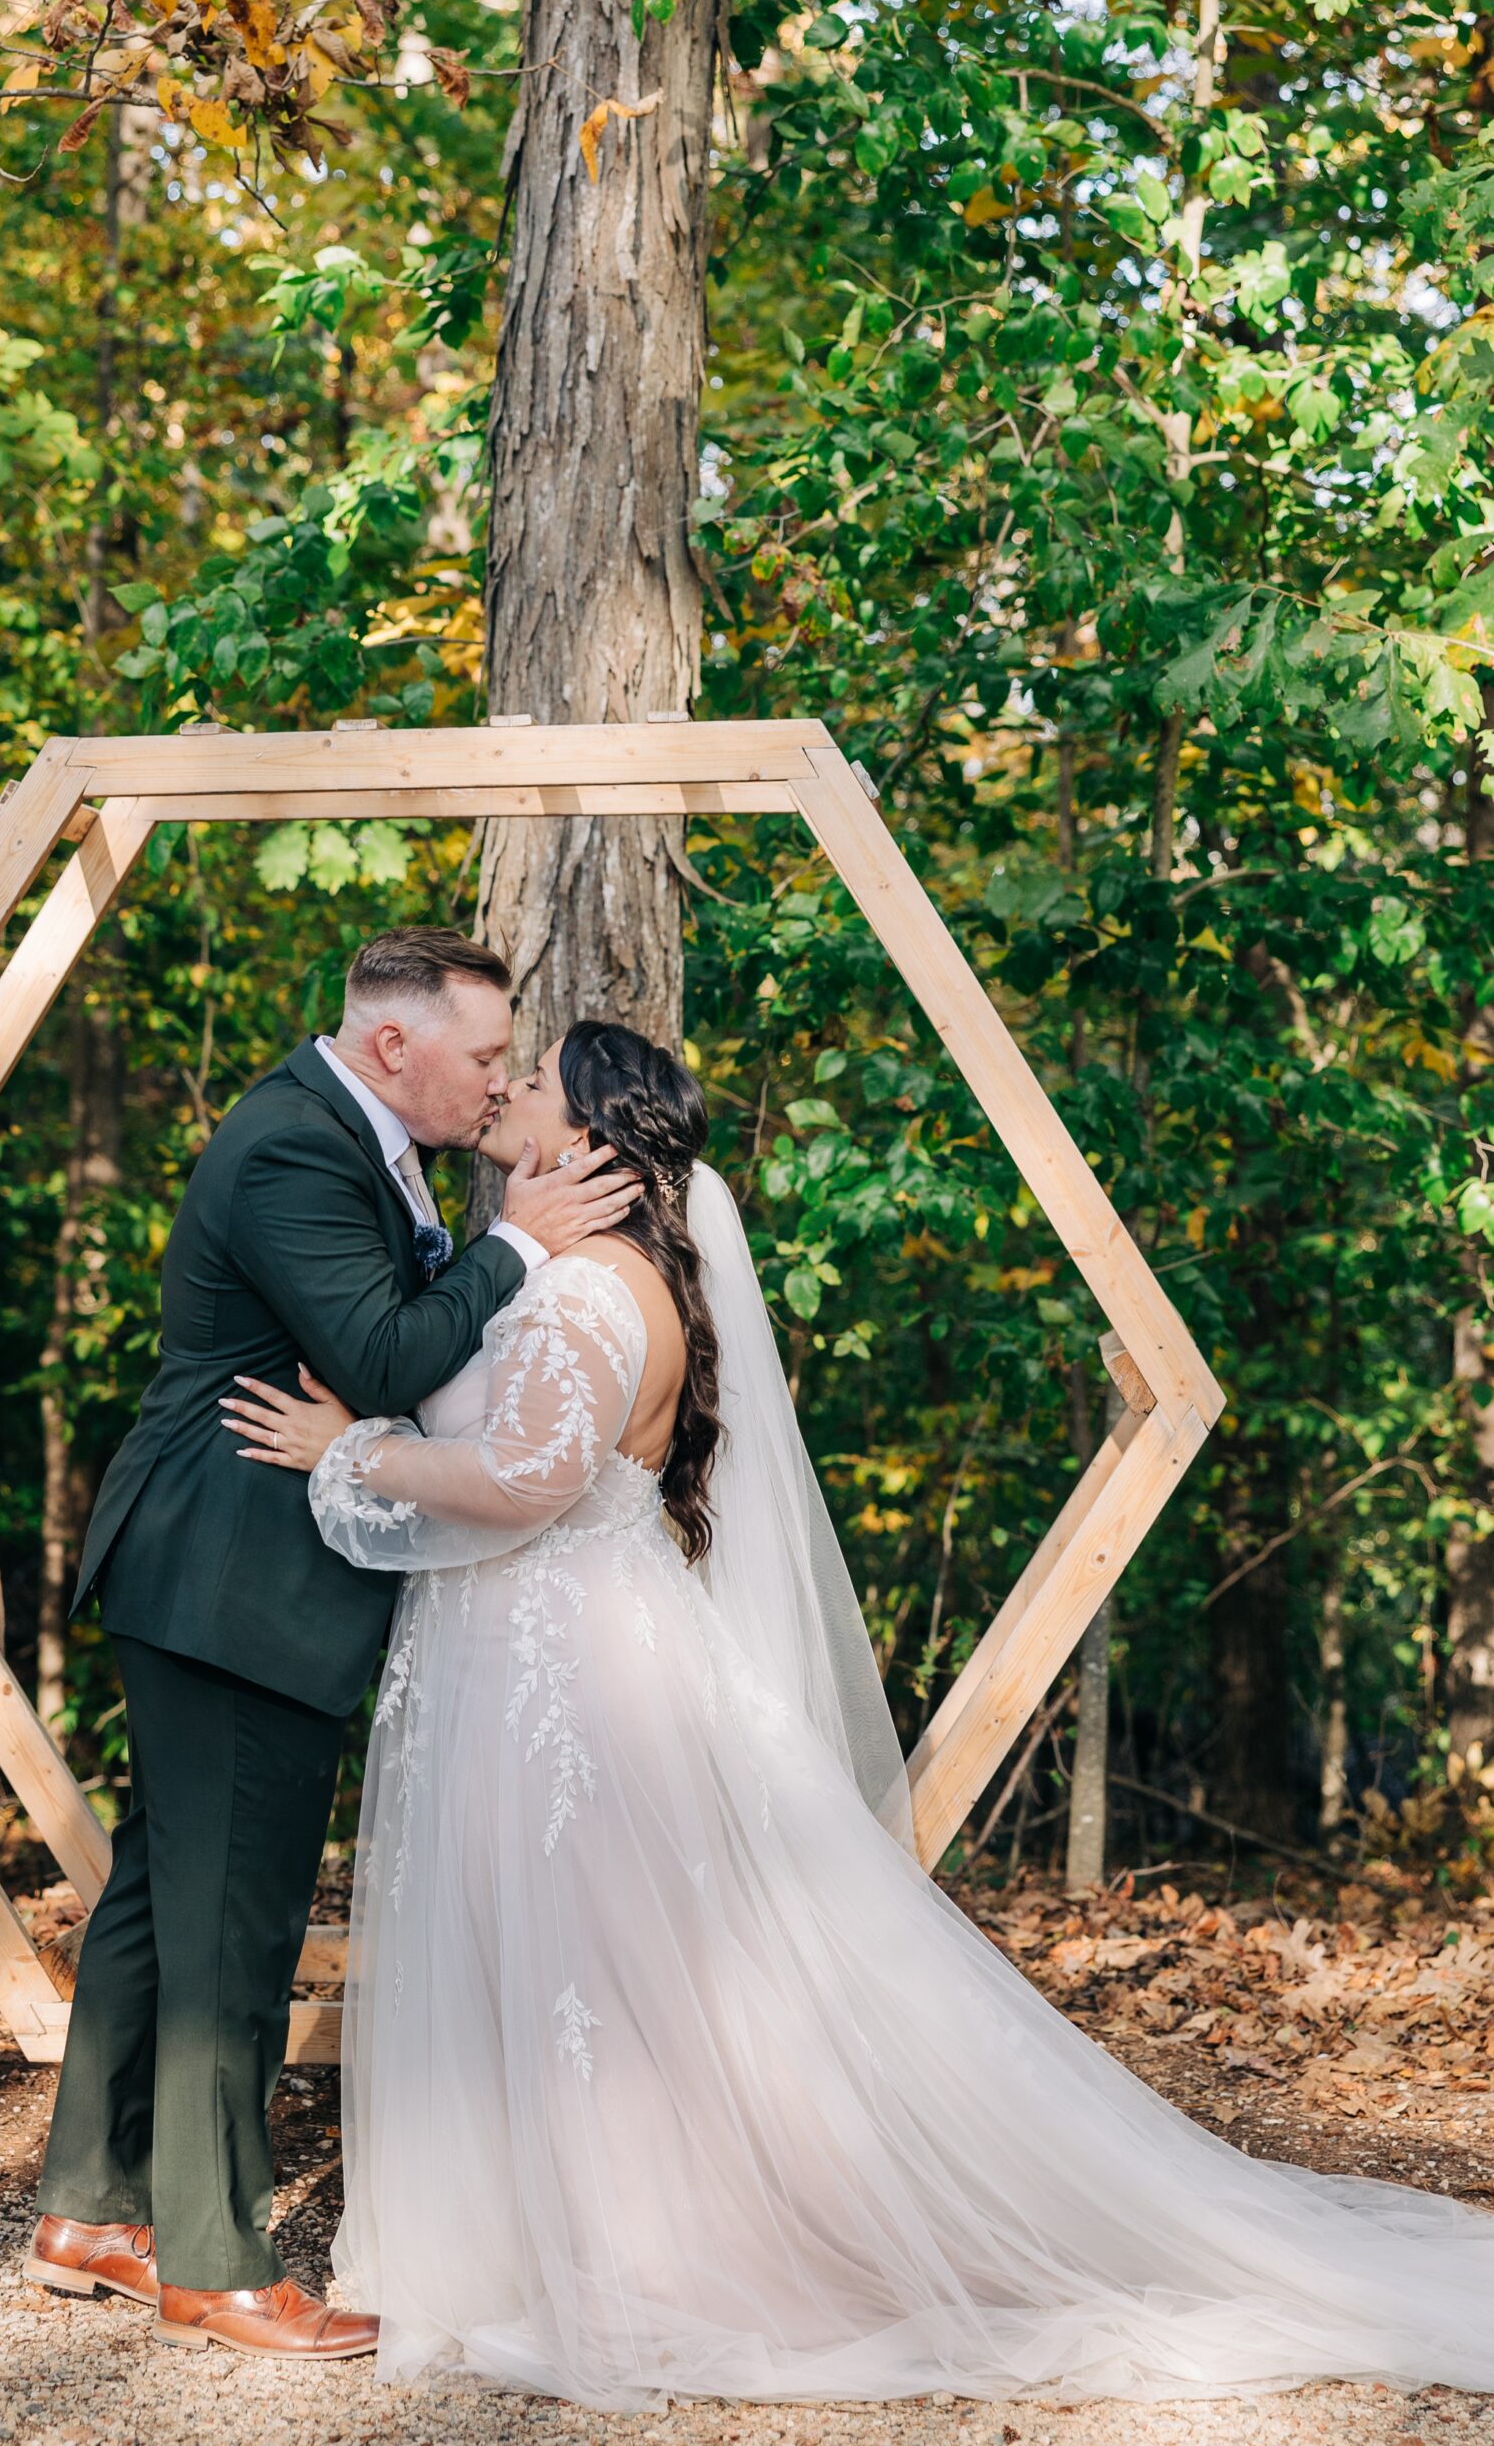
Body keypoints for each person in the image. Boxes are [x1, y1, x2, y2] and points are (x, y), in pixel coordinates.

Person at [220, 1016, 1494, 2411]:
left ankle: (652, 2257)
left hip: (564, 1675)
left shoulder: (592, 1292)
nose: (509, 1089)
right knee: (601, 1965)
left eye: (535, 1079)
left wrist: (350, 1451)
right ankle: (571, 2237)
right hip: (559, 1652)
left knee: (602, 1966)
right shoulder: (604, 1273)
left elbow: (525, 1480)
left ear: (586, 1137)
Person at [27, 930, 639, 2359]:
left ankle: (91, 2207)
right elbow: (381, 1357)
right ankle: (217, 2259)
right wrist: (512, 1249)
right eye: (484, 1056)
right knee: (233, 1925)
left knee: (160, 1898)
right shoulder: (294, 1150)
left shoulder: (351, 1130)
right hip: (233, 1575)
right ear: (391, 1046)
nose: (496, 1084)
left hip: (218, 1570)